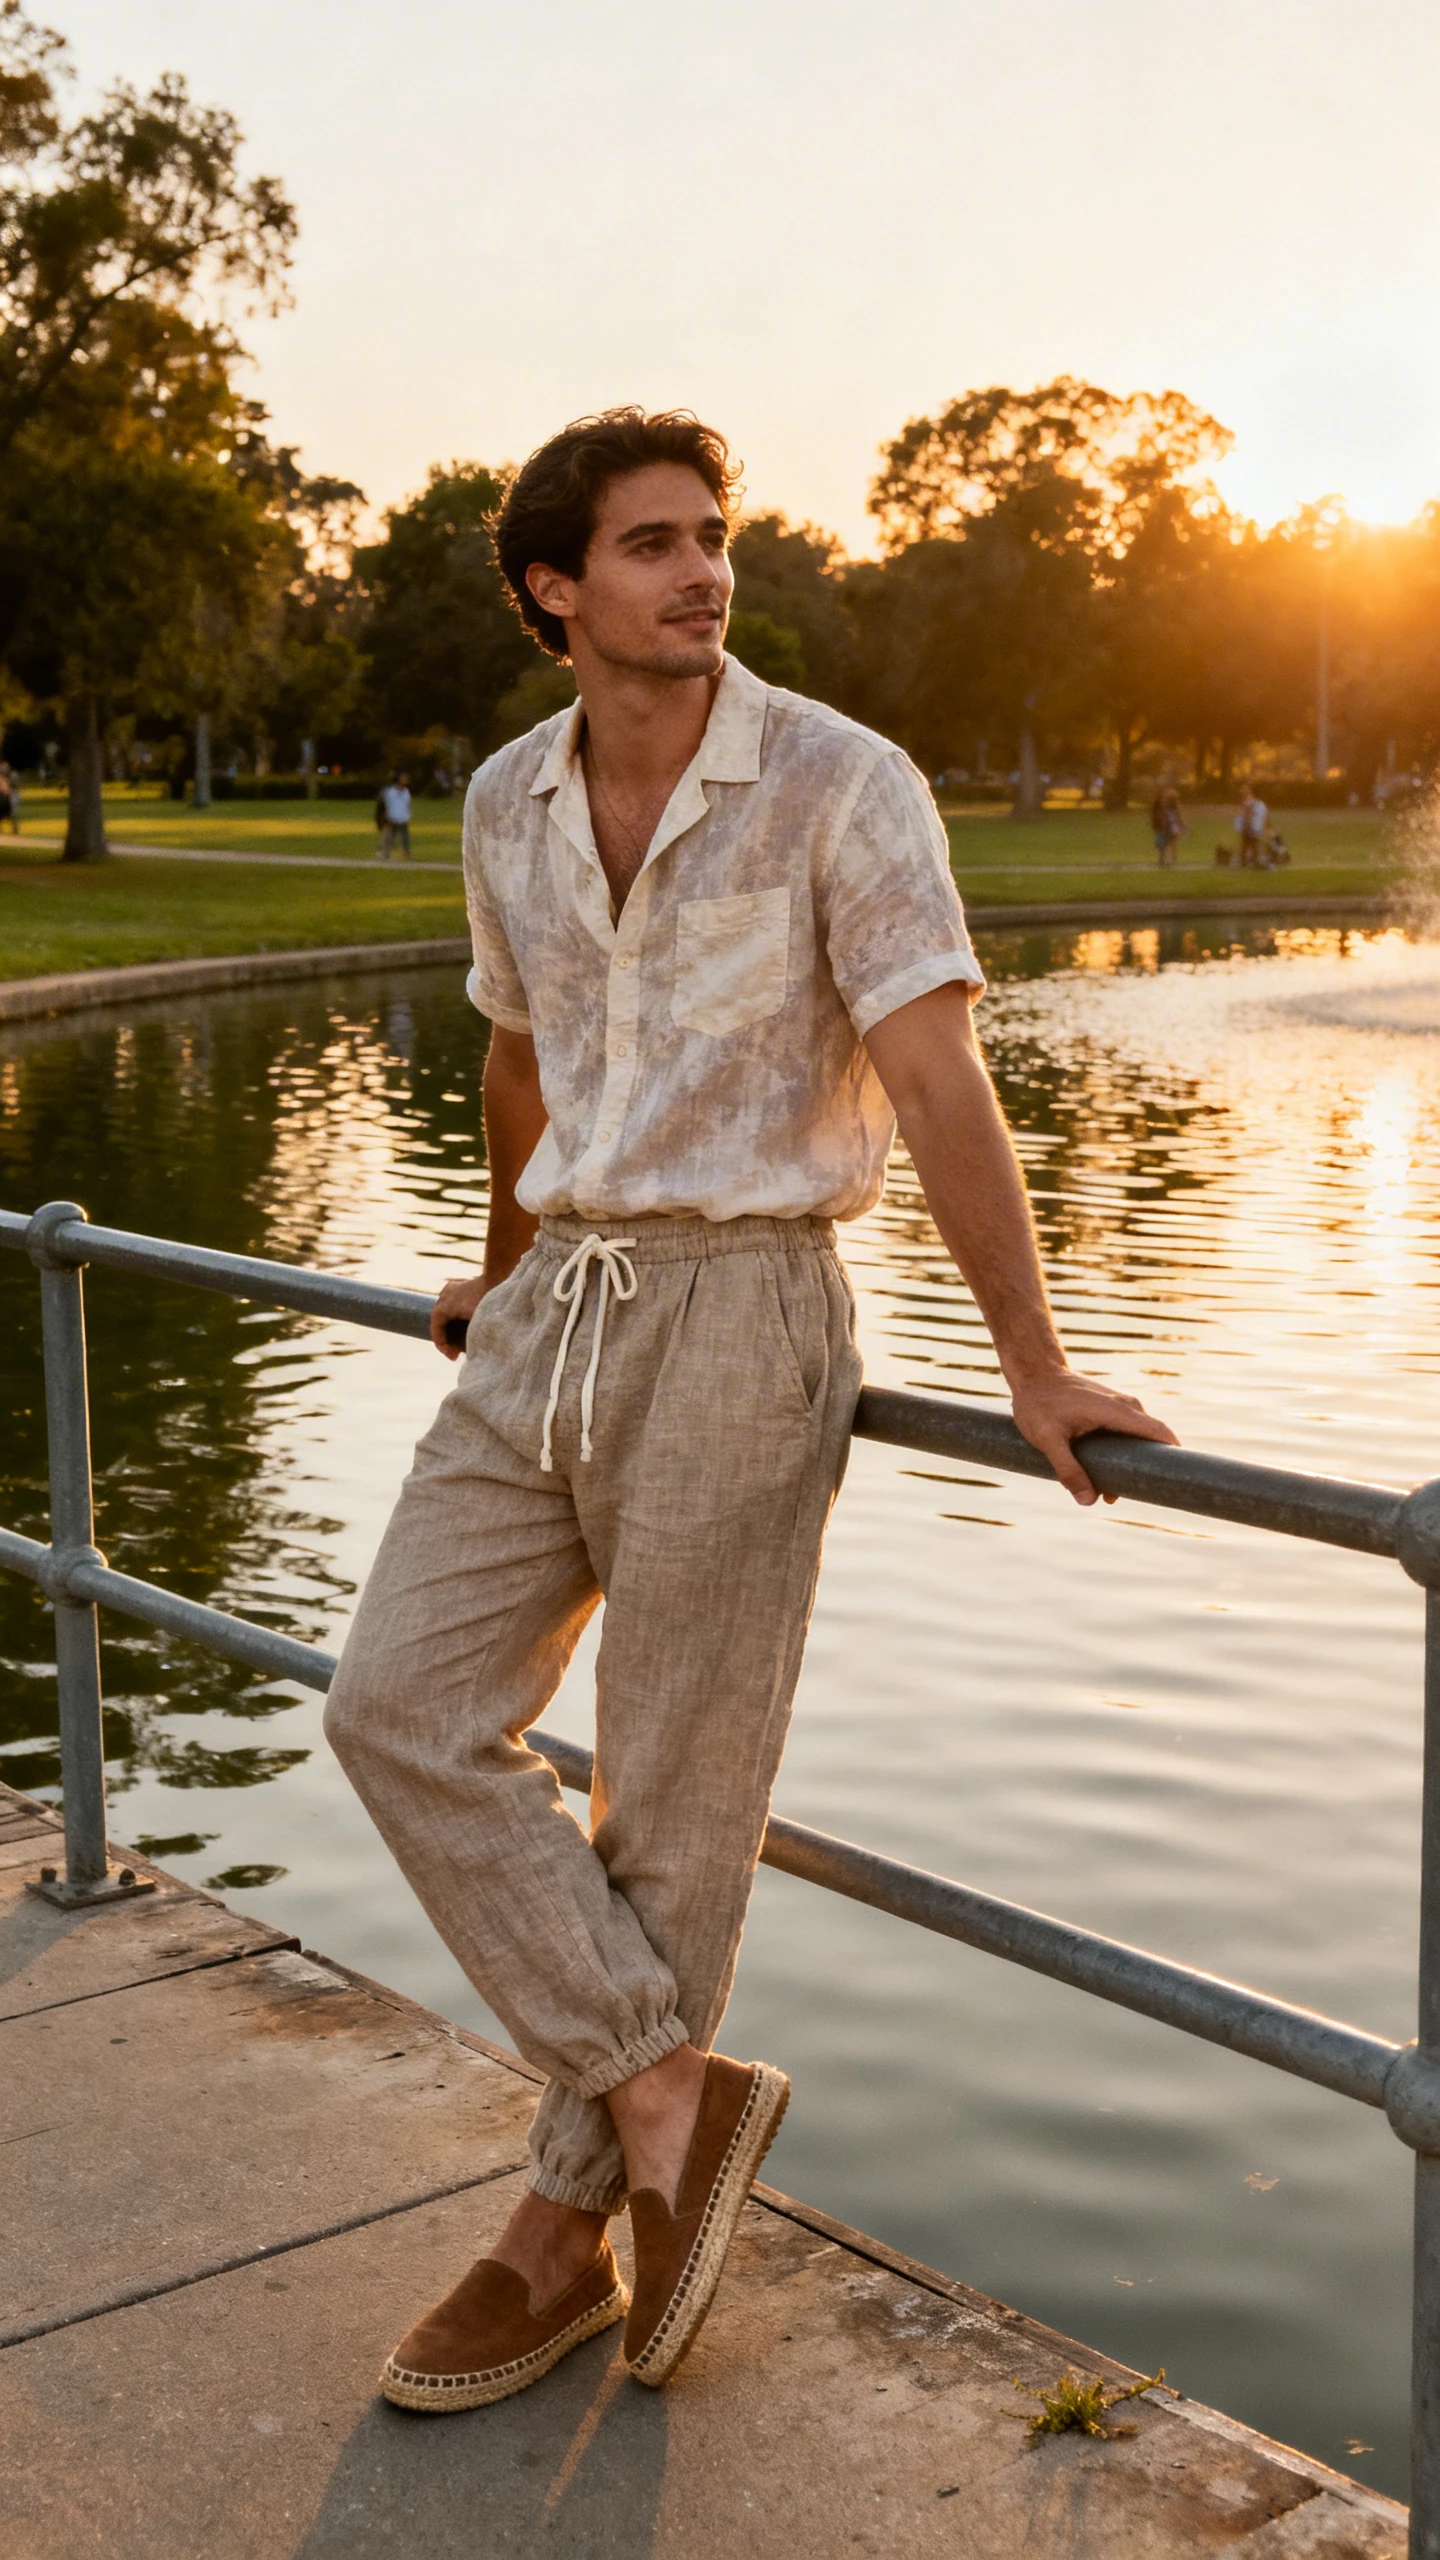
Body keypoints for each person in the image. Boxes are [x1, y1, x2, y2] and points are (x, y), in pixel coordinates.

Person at [322, 407, 1176, 2418]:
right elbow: (527, 1054)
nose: (702, 573)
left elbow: (945, 1083)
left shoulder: (836, 784)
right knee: (395, 1704)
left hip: (746, 1310)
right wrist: (501, 1248)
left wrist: (1034, 1362)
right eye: (650, 545)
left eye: (714, 539)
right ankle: (664, 2090)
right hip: (557, 1309)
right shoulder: (514, 797)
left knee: (673, 1808)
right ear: (553, 586)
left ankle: (555, 2232)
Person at [381, 770, 413, 860]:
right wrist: (387, 816)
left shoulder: (406, 792)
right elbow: (387, 804)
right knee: (390, 837)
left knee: (405, 837)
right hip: (392, 817)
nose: (406, 781)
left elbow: (407, 804)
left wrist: (407, 815)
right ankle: (385, 853)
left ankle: (407, 854)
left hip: (403, 818)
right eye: (404, 779)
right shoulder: (391, 791)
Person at [1150, 785, 1184, 868]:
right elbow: (1177, 819)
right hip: (1168, 828)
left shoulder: (1172, 809)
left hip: (1171, 828)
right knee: (1168, 844)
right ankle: (1169, 860)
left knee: (1168, 844)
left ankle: (1169, 860)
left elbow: (1178, 819)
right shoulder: (1166, 809)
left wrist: (1182, 826)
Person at [1235, 785, 1268, 866]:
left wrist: (1245, 826)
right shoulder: (1258, 804)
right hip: (1253, 827)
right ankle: (1251, 860)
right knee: (1251, 845)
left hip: (1251, 827)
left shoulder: (1250, 803)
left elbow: (1247, 815)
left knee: (1249, 844)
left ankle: (1248, 860)